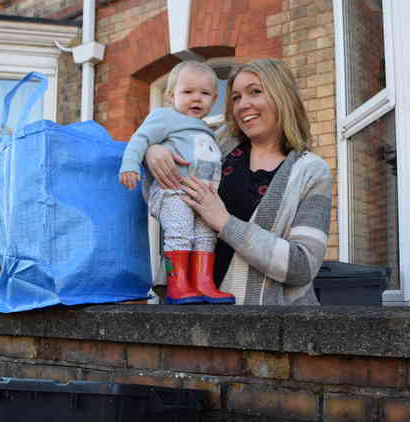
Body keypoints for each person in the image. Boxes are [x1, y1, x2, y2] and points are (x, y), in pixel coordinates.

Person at [145, 58, 331, 305]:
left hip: (265, 327)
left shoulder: (311, 172)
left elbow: (302, 265)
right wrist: (152, 151)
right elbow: (159, 195)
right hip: (187, 311)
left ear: (282, 96)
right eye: (235, 97)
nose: (243, 105)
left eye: (255, 92)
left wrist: (224, 222)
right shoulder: (213, 145)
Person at [119, 60, 235, 305]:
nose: (196, 98)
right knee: (180, 234)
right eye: (188, 92)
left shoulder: (207, 129)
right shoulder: (166, 117)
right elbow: (141, 138)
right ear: (172, 96)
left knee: (206, 236)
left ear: (214, 98)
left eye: (204, 93)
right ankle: (177, 284)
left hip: (203, 197)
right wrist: (130, 164)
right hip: (174, 192)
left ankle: (204, 283)